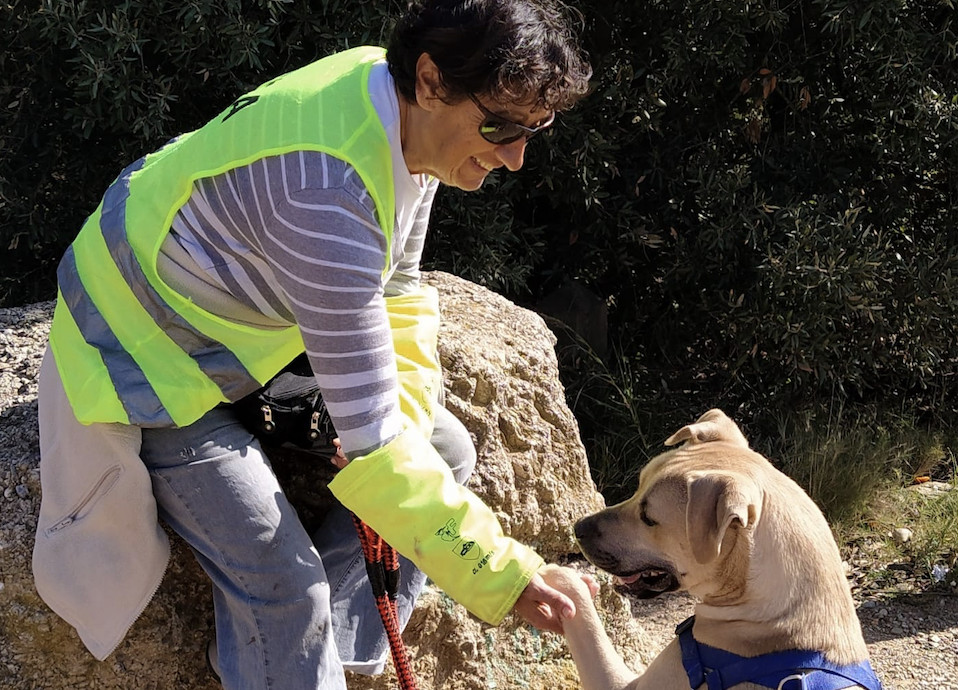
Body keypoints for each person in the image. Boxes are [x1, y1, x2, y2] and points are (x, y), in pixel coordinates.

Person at [32, 0, 592, 687]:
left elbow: (398, 287)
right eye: (500, 125)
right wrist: (509, 576)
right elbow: (376, 451)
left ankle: (323, 665)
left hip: (238, 345)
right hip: (148, 364)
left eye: (536, 128)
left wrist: (409, 417)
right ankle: (293, 655)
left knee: (441, 450)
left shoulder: (392, 114)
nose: (514, 157)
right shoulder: (327, 195)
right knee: (285, 586)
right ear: (429, 79)